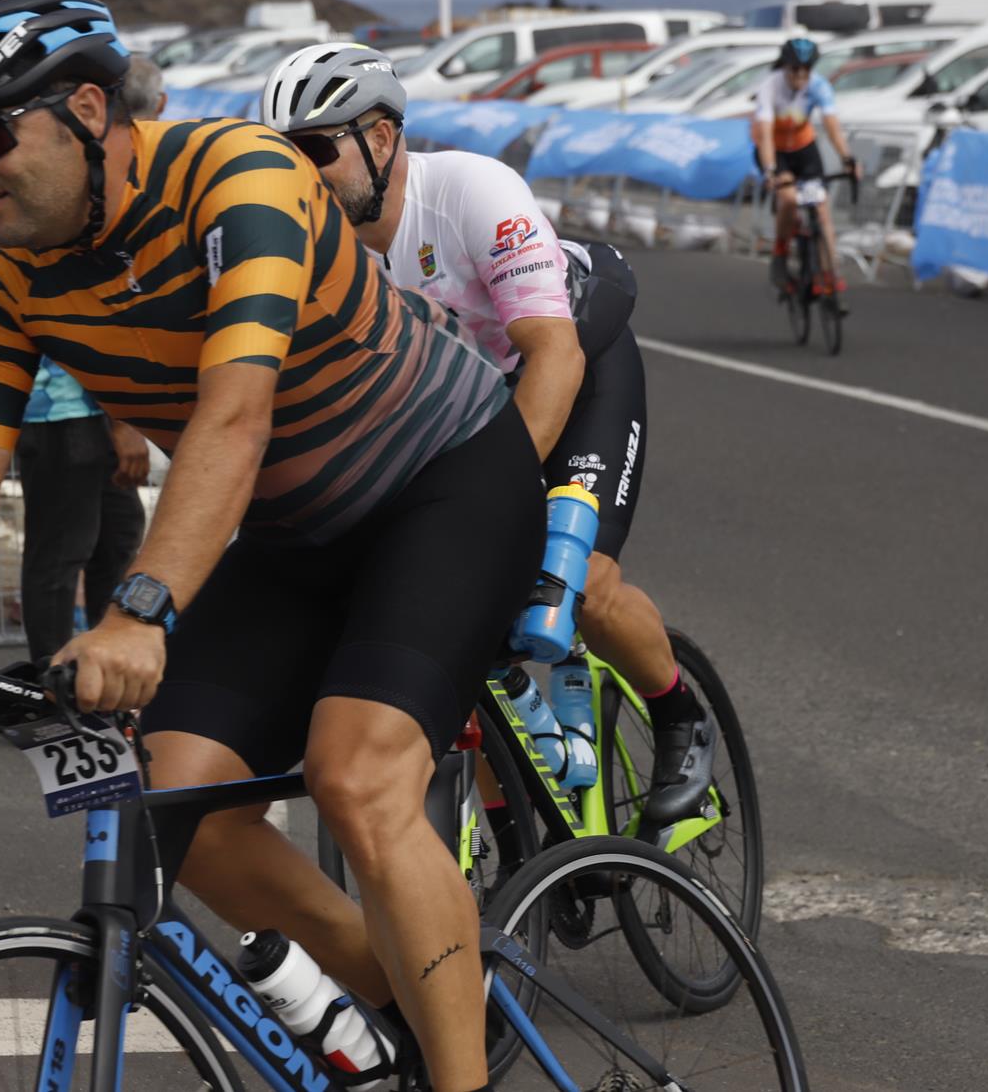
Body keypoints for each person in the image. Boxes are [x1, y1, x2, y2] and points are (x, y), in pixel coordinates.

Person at [0, 0, 542, 1092]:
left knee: (355, 776)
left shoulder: (241, 178)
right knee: (172, 801)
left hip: (443, 484)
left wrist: (143, 607)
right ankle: (403, 987)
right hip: (299, 533)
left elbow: (233, 413)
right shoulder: (1, 271)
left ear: (91, 111)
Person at [257, 42, 715, 829]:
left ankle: (679, 716)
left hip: (573, 368)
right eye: (283, 158)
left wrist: (485, 499)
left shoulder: (471, 190)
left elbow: (552, 353)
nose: (302, 177)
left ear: (380, 136)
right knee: (457, 620)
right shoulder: (307, 249)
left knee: (583, 580)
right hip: (462, 409)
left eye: (316, 150)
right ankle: (519, 831)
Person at [10, 58, 165, 656]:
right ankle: (56, 692)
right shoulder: (90, 192)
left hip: (81, 411)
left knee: (115, 538)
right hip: (64, 412)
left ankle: (97, 673)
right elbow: (93, 320)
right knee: (62, 551)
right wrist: (124, 423)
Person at [753, 36, 859, 302]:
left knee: (821, 209)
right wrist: (770, 171)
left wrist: (848, 158)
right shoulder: (770, 87)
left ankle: (829, 274)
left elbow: (832, 125)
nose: (800, 75)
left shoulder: (819, 86)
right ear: (785, 67)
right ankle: (779, 255)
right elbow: (765, 135)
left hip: (803, 149)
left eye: (806, 70)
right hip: (775, 151)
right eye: (794, 69)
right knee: (788, 199)